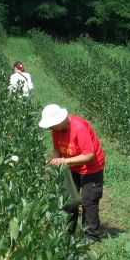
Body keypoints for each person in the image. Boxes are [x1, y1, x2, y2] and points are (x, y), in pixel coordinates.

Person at [40, 103, 106, 243]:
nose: (50, 129)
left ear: (60, 121)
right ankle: (68, 232)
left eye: (52, 126)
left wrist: (65, 162)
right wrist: (56, 158)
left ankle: (91, 237)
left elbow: (89, 156)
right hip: (72, 166)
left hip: (91, 168)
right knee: (69, 199)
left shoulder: (79, 127)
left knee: (89, 201)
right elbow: (57, 149)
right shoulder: (56, 129)